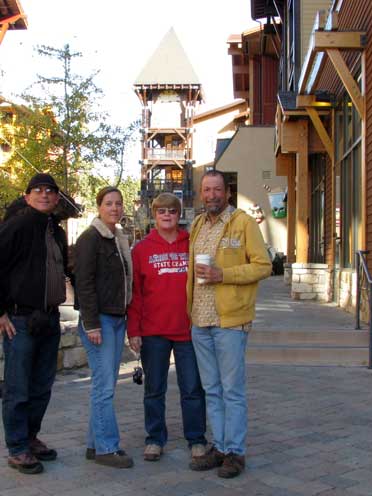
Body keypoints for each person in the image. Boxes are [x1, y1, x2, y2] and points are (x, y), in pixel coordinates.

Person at [187, 170, 271, 478]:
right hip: (200, 320)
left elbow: (263, 266)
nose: (211, 195)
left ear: (227, 192)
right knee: (211, 389)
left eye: (217, 189)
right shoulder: (197, 225)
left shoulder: (243, 223)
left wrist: (225, 274)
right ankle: (220, 446)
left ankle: (236, 452)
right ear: (201, 193)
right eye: (206, 189)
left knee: (232, 390)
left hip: (230, 320)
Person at [127, 193, 207, 463]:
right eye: (161, 210)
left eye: (172, 210)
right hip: (153, 331)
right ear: (154, 214)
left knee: (192, 389)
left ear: (179, 213)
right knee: (154, 389)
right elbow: (135, 294)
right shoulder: (141, 249)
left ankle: (196, 439)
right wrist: (133, 330)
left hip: (188, 329)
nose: (166, 215)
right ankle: (154, 438)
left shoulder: (192, 244)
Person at [0, 173, 68, 475]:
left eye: (49, 191)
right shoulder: (17, 224)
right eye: (37, 190)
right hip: (20, 319)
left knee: (42, 386)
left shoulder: (56, 230)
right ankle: (17, 448)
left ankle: (29, 437)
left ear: (56, 198)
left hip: (49, 318)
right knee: (18, 387)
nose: (44, 195)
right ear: (27, 196)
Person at [74, 186, 133, 469]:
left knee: (104, 384)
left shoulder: (117, 239)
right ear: (99, 207)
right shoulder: (91, 238)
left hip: (117, 319)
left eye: (118, 203)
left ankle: (93, 444)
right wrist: (92, 324)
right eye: (109, 203)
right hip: (100, 321)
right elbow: (83, 284)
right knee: (104, 386)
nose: (114, 208)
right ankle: (107, 448)